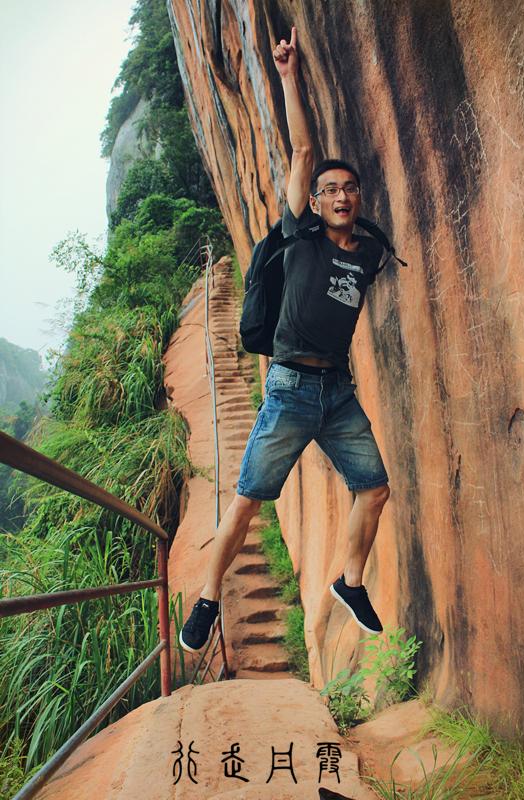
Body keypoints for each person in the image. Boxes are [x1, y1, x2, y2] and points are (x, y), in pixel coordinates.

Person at [179, 26, 390, 654]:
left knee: (374, 488)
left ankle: (350, 582)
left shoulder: (369, 253)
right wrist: (289, 76)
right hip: (291, 388)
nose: (341, 196)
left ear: (359, 198)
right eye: (330, 190)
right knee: (247, 502)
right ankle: (208, 600)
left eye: (349, 188)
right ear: (315, 202)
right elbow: (301, 149)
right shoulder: (301, 235)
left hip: (338, 392)